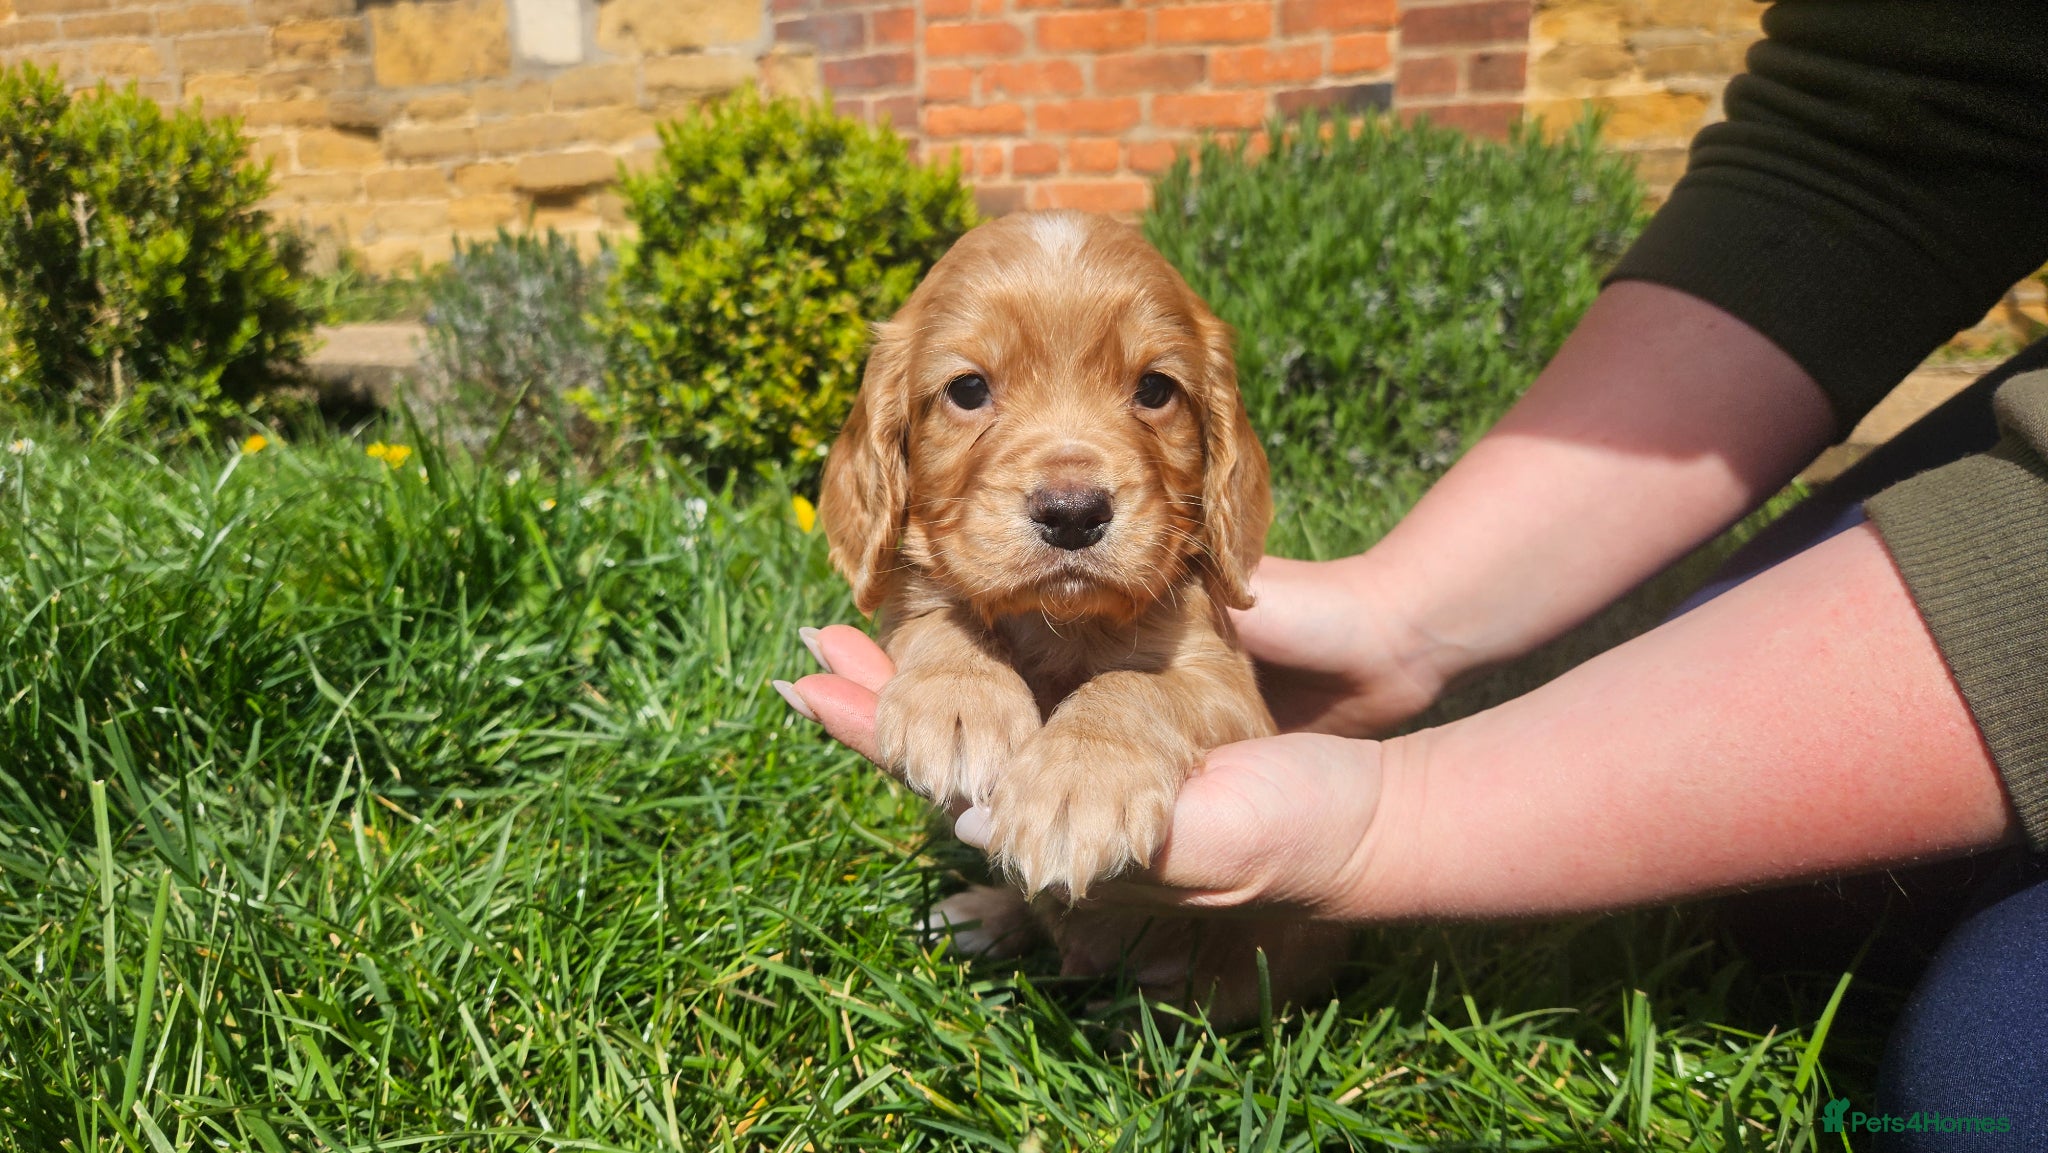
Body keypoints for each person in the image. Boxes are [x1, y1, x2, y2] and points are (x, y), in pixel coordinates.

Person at [780, 1, 2048, 1141]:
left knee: (1974, 1081)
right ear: (890, 434)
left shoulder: (1172, 600)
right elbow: (1870, 153)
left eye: (1153, 391)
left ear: (1214, 441)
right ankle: (1027, 906)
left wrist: (1312, 791)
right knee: (1769, 802)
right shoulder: (944, 564)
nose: (1072, 483)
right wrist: (944, 654)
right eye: (967, 392)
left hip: (1239, 974)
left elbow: (1203, 688)